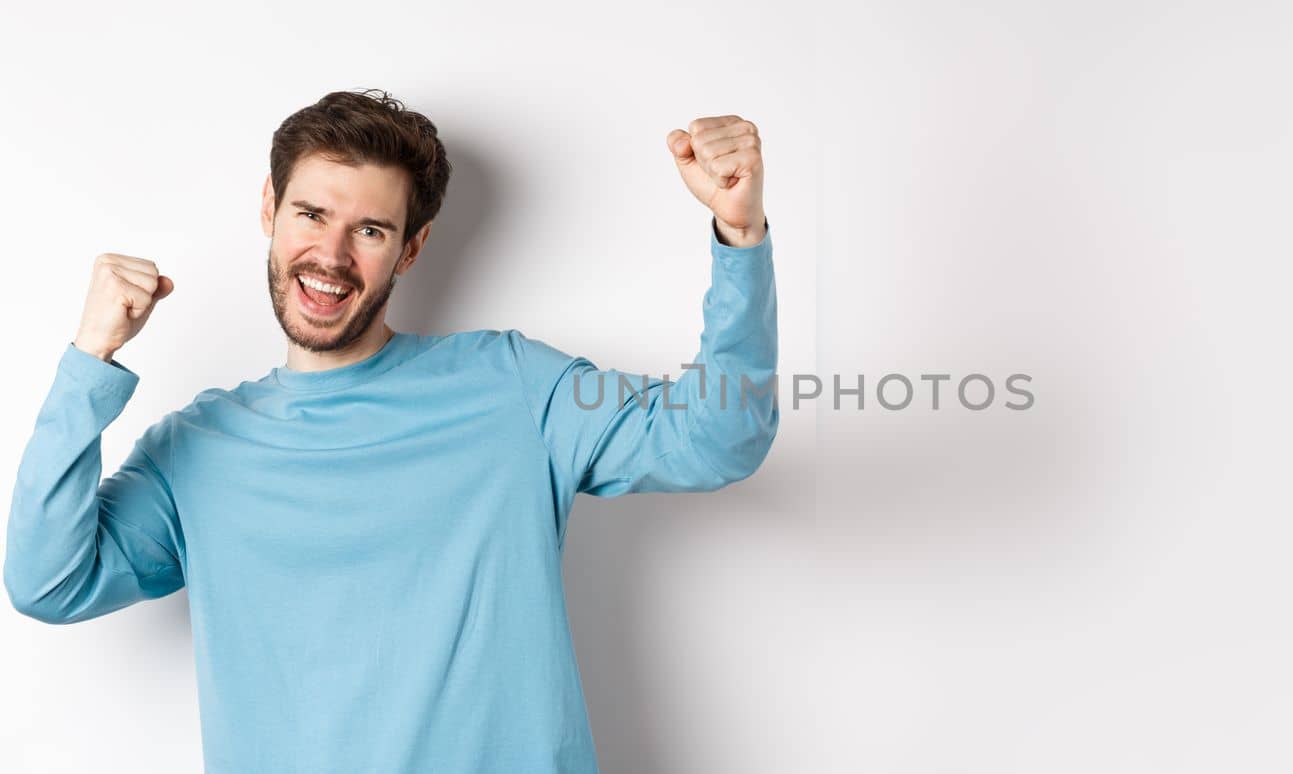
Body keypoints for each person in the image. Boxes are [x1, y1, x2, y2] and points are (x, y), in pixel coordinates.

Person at [3, 88, 778, 773]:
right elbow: (48, 583)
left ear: (411, 247)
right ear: (270, 208)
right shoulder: (196, 450)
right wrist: (89, 358)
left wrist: (739, 239)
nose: (330, 257)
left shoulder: (511, 387)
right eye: (311, 214)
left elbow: (717, 438)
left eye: (370, 230)